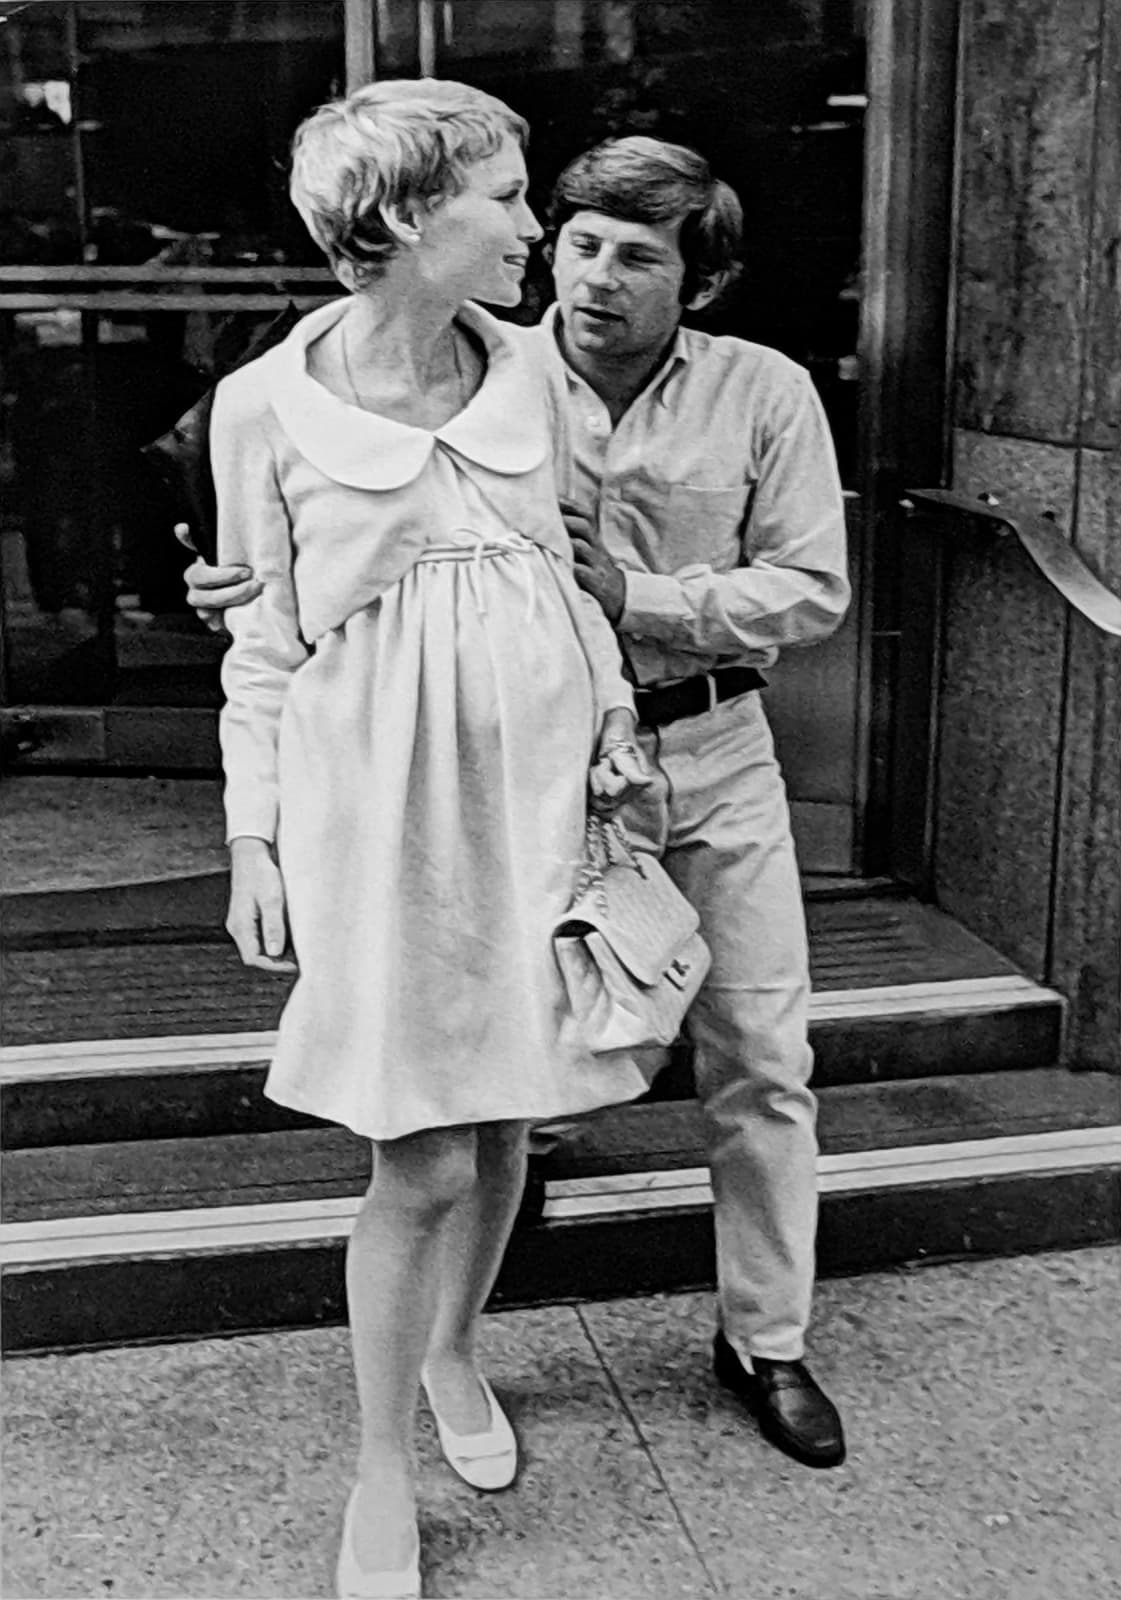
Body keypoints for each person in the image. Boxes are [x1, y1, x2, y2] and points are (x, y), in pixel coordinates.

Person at [186, 133, 851, 1474]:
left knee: (757, 1056)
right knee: (488, 1098)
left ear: (696, 283)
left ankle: (760, 1341)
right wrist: (249, 637)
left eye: (633, 255)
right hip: (480, 789)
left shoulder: (748, 390)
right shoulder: (439, 365)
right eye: (564, 232)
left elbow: (802, 587)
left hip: (694, 751)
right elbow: (294, 590)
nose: (579, 268)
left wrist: (631, 616)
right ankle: (438, 1356)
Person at [208, 81, 653, 1600]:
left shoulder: (533, 373)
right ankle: (378, 1469)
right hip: (371, 812)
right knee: (417, 1152)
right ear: (405, 219)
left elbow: (565, 573)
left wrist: (610, 717)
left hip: (537, 799)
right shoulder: (262, 403)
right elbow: (259, 644)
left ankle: (458, 1352)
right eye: (511, 196)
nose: (539, 228)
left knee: (512, 1111)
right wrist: (251, 838)